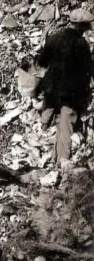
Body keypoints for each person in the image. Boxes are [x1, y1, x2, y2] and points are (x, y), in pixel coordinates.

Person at [37, 9, 94, 164]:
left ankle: (40, 141)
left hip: (51, 90)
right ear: (81, 27)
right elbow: (89, 69)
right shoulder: (82, 45)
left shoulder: (54, 39)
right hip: (70, 94)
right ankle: (63, 160)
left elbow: (41, 61)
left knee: (47, 119)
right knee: (66, 125)